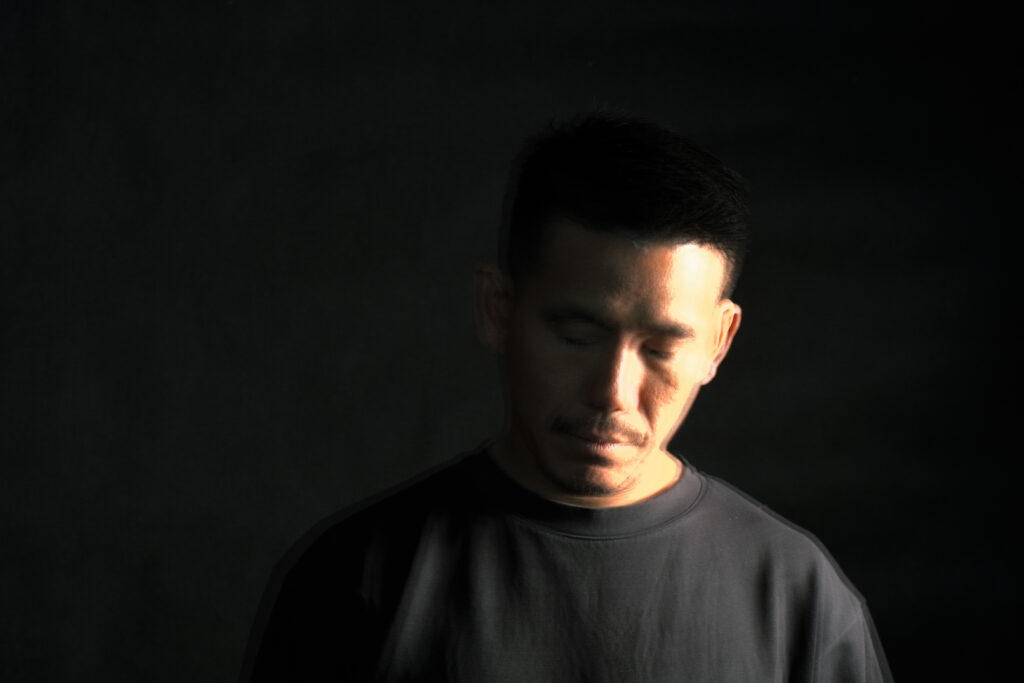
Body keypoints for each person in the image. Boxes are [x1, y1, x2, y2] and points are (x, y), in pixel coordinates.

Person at [241, 114, 893, 682]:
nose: (613, 392)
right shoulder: (353, 582)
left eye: (661, 347)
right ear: (497, 308)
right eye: (577, 336)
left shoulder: (801, 597)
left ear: (718, 342)